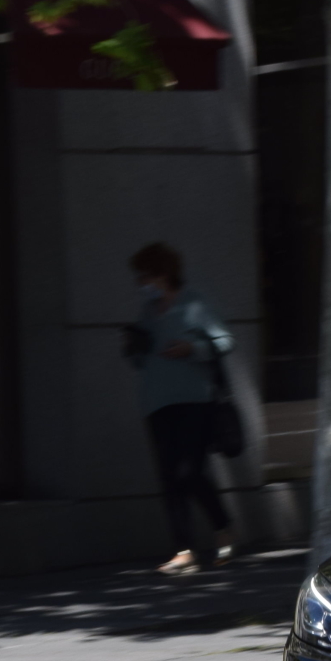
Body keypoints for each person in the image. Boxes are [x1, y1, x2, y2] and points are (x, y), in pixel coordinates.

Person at [124, 241, 235, 576]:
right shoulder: (148, 312)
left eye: (147, 276)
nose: (142, 284)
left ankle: (224, 528)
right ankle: (183, 551)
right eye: (140, 278)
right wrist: (134, 347)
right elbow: (138, 359)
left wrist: (192, 347)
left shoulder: (193, 302)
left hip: (194, 400)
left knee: (191, 472)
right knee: (169, 477)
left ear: (164, 273)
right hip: (157, 403)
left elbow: (224, 341)